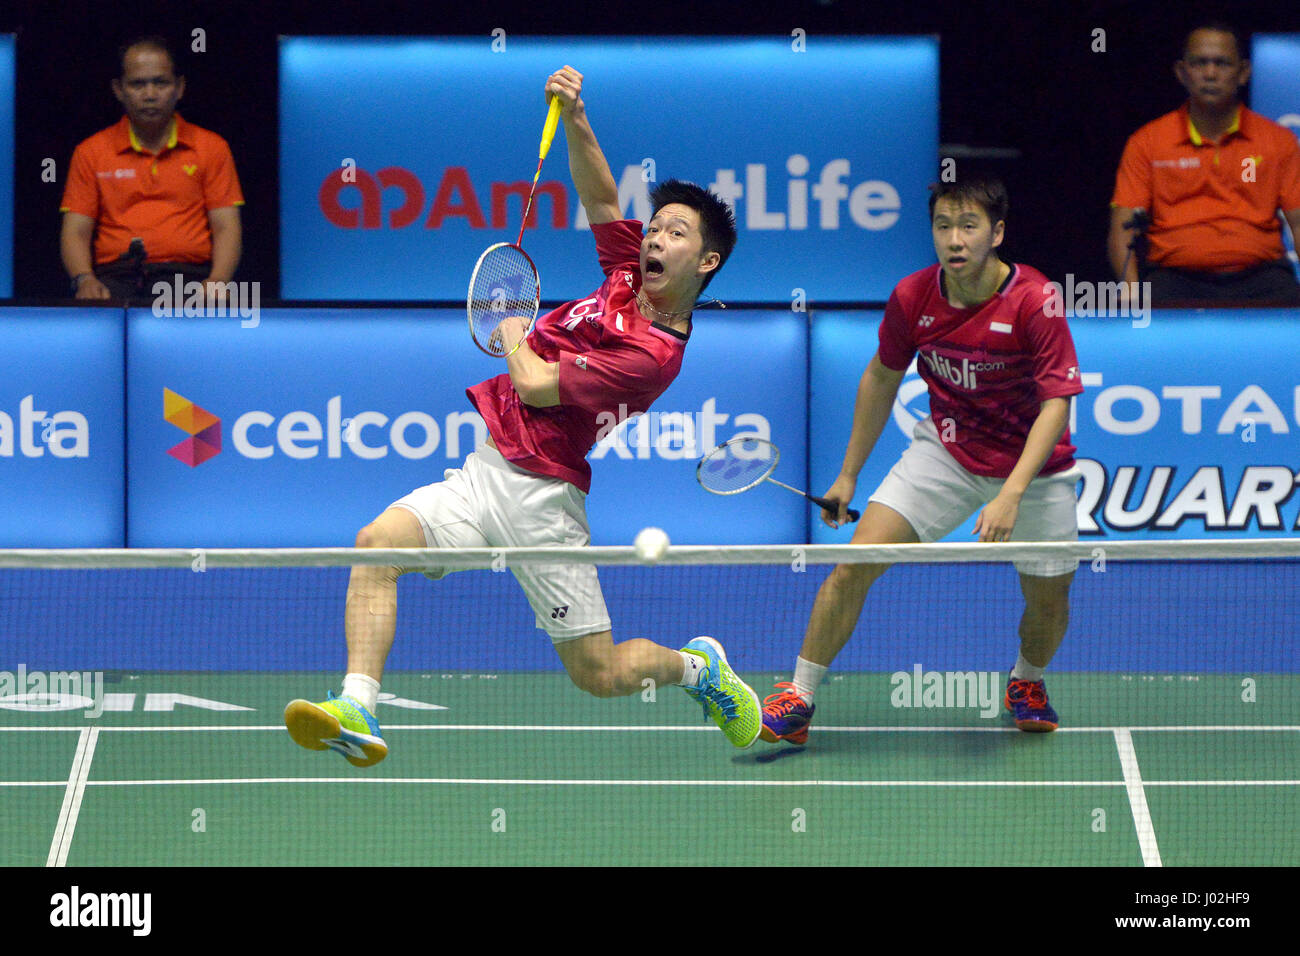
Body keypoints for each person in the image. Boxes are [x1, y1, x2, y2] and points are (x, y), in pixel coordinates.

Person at [284, 65, 757, 766]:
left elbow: (536, 384)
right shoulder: (630, 272)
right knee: (375, 545)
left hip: (543, 497)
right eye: (654, 227)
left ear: (707, 260)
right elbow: (599, 193)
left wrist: (508, 325)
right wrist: (576, 114)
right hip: (484, 470)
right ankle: (357, 707)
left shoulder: (654, 353)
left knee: (599, 676)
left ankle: (698, 669)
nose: (654, 239)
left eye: (675, 233)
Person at [761, 177, 1084, 745]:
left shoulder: (1036, 300)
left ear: (997, 233)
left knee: (1049, 598)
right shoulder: (914, 296)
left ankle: (1026, 680)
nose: (954, 240)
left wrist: (1010, 493)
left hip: (1032, 471)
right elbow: (882, 377)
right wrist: (847, 475)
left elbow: (1057, 403)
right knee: (854, 566)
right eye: (942, 226)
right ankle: (800, 697)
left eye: (969, 226)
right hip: (946, 453)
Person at [1108, 22, 1300, 305]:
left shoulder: (1278, 141)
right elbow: (1122, 227)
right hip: (1173, 280)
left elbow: (1298, 222)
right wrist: (1130, 290)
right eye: (1200, 63)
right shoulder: (1147, 142)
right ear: (1181, 72)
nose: (1210, 73)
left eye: (1222, 63)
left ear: (1243, 72)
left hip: (1262, 280)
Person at [59, 35, 244, 301]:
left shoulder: (212, 147)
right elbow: (76, 230)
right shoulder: (90, 151)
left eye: (160, 82)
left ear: (179, 88)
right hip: (115, 279)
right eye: (138, 84)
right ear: (118, 90)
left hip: (188, 277)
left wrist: (218, 280)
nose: (149, 94)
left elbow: (226, 226)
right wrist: (83, 279)